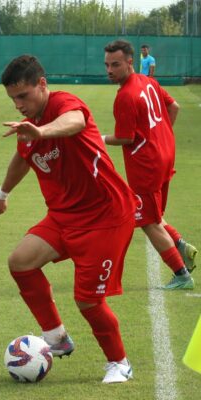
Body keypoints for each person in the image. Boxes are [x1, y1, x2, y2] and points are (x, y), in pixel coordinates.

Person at [0, 55, 136, 383]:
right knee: (20, 261)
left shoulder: (63, 103)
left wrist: (40, 131)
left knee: (88, 300)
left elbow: (75, 122)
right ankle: (55, 337)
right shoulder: (30, 126)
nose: (18, 106)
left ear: (42, 85)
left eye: (23, 96)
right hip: (64, 217)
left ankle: (119, 363)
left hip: (105, 216)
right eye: (12, 99)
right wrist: (1, 196)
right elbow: (21, 159)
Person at [104, 39, 197, 290]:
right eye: (107, 65)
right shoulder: (149, 82)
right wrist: (162, 134)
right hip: (165, 155)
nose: (110, 70)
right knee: (154, 215)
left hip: (146, 165)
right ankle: (182, 247)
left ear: (130, 62)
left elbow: (125, 137)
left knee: (146, 220)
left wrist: (97, 139)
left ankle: (181, 274)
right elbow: (173, 106)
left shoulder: (125, 95)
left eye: (115, 64)